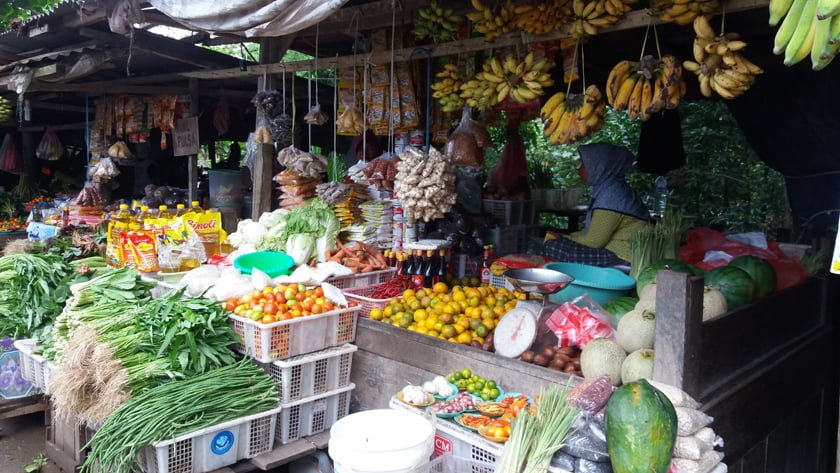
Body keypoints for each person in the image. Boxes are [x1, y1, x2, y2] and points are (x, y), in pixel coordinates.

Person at [542, 143, 650, 267]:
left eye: (583, 165)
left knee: (553, 247)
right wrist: (564, 236)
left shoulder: (612, 195)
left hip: (623, 256)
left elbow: (594, 241)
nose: (579, 170)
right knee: (557, 243)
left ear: (599, 167)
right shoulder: (609, 188)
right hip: (613, 250)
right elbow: (590, 233)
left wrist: (564, 238)